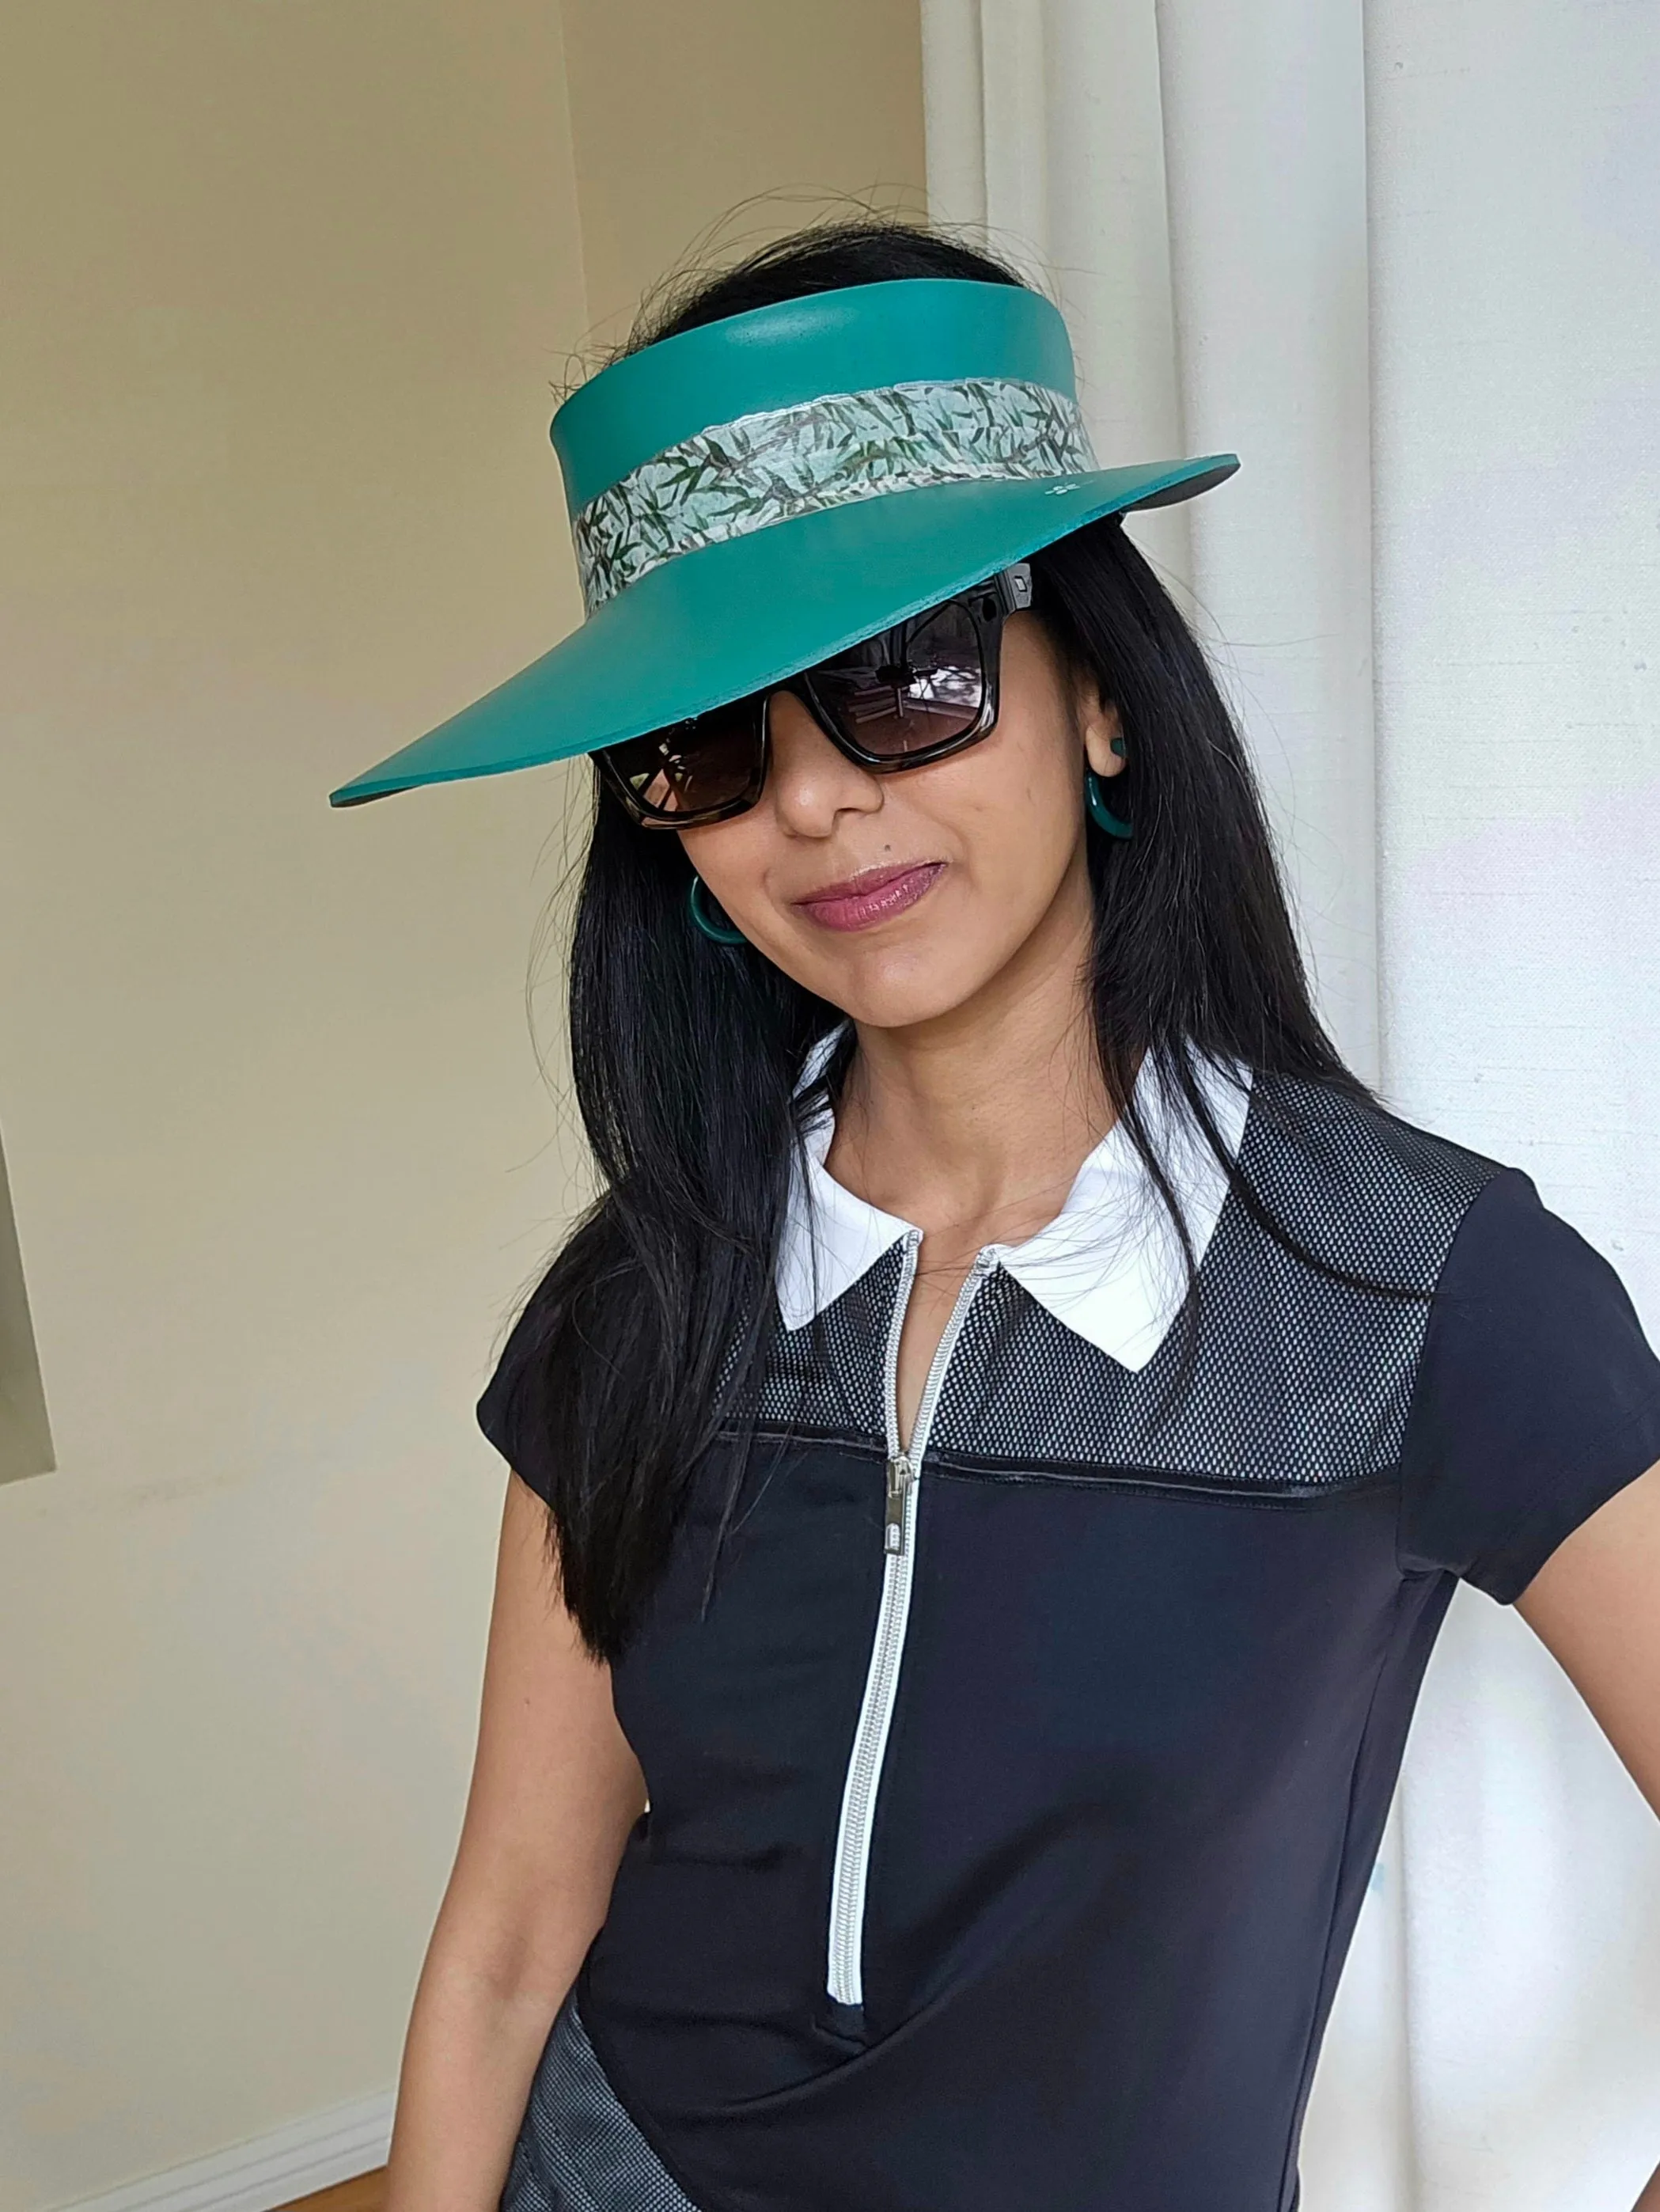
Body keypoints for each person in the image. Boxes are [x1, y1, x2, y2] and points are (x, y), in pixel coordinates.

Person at [331, 222, 1660, 2212]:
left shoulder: (1410, 1287)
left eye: (903, 677)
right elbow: (514, 1931)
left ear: (1101, 698)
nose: (812, 802)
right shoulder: (646, 1291)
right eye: (705, 742)